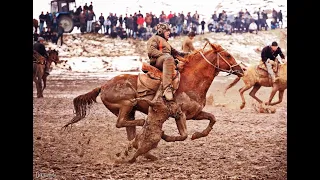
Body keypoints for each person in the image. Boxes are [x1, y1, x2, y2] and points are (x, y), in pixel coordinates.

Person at [147, 23, 189, 101]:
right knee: (169, 58)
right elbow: (151, 51)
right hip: (157, 61)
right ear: (160, 31)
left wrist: (191, 55)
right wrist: (165, 55)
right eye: (167, 31)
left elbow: (177, 53)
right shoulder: (154, 38)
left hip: (167, 61)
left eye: (169, 31)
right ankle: (167, 88)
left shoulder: (166, 43)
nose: (169, 32)